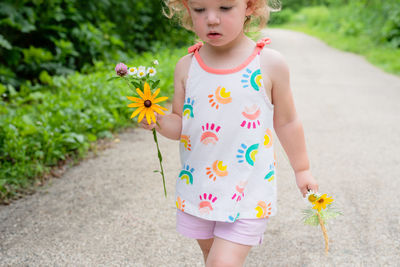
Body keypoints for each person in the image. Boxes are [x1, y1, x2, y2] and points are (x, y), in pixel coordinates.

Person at [139, 0, 319, 266]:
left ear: (249, 6)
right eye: (200, 10)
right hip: (200, 189)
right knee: (210, 257)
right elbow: (181, 124)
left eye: (225, 8)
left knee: (221, 263)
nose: (212, 19)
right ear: (188, 10)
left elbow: (288, 121)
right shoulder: (187, 66)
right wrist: (160, 121)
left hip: (248, 192)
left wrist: (302, 169)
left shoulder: (268, 63)